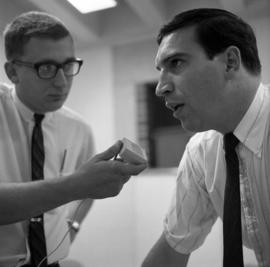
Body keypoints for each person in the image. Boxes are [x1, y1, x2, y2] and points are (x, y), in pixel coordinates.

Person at [0, 11, 146, 267]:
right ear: (13, 72)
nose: (62, 82)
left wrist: (73, 226)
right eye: (46, 67)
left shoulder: (78, 128)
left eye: (68, 65)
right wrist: (75, 185)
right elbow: (80, 185)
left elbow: (85, 192)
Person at [142, 8, 269, 267]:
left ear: (230, 61)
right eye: (160, 70)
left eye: (176, 63)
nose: (160, 87)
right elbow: (172, 249)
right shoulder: (202, 151)